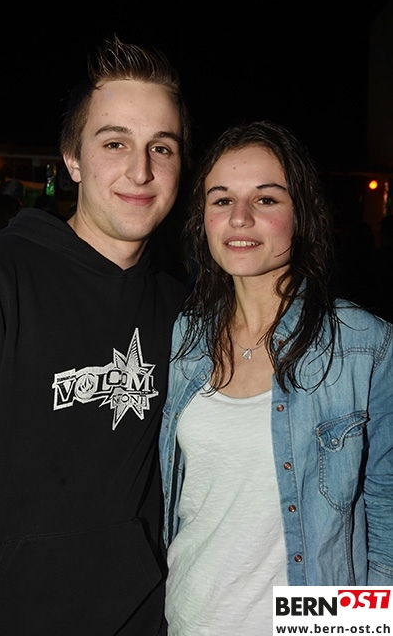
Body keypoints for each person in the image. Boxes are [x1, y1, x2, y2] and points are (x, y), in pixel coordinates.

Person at [0, 35, 191, 636]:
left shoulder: (185, 311)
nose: (140, 170)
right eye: (115, 143)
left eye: (161, 147)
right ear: (72, 158)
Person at [159, 120, 393, 635]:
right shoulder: (185, 336)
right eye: (222, 200)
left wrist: (362, 627)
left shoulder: (363, 344)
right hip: (191, 617)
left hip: (307, 625)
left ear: (301, 214)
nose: (239, 217)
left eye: (265, 199)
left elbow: (387, 515)